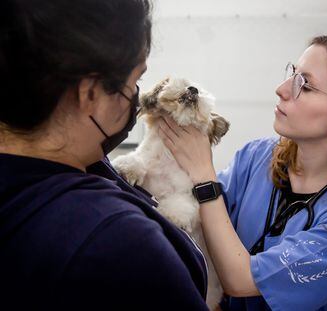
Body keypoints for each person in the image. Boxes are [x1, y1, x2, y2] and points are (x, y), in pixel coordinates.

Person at [158, 32, 327, 310]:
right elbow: (202, 220)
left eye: (305, 86)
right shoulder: (257, 156)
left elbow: (240, 279)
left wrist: (202, 172)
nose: (281, 89)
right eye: (293, 73)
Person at [0, 0, 209, 310]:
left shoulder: (62, 170)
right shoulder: (118, 243)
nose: (137, 99)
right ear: (90, 93)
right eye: (134, 81)